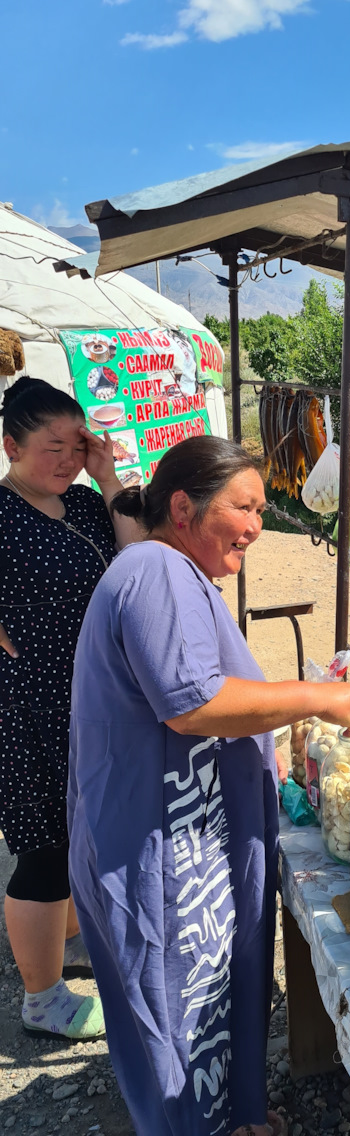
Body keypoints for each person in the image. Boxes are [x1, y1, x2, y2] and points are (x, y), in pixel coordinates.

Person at [67, 434, 350, 1136]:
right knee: (172, 1013)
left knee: (206, 999)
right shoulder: (154, 571)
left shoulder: (170, 571)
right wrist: (314, 699)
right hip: (152, 846)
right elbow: (190, 703)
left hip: (183, 834)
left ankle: (230, 1117)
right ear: (184, 507)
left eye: (262, 510)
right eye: (246, 508)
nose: (257, 527)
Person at [0, 374, 136, 1040]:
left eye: (76, 444)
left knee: (85, 828)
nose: (66, 458)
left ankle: (62, 939)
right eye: (50, 446)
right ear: (10, 446)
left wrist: (108, 476)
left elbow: (139, 558)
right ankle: (42, 999)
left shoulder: (84, 505)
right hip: (27, 711)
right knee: (44, 851)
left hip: (91, 701)